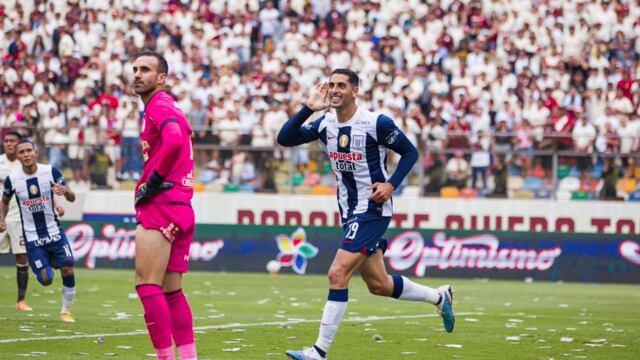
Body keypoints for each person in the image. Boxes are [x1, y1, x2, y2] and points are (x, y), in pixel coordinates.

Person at [278, 69, 455, 360]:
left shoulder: (375, 123)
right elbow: (285, 138)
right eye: (332, 85)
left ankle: (319, 352)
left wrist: (391, 185)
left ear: (355, 91)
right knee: (379, 285)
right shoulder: (325, 123)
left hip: (372, 208)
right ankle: (439, 297)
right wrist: (308, 108)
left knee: (337, 273)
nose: (335, 90)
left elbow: (410, 153)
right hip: (349, 211)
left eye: (341, 86)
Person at [132, 50, 197, 360]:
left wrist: (153, 180)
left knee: (147, 285)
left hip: (163, 203)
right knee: (172, 291)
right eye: (135, 69)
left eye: (145, 69)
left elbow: (173, 139)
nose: (137, 74)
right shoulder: (170, 105)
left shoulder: (158, 105)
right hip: (182, 205)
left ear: (161, 78)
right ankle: (188, 357)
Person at [0, 140, 77, 322]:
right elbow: (4, 202)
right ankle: (46, 262)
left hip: (55, 234)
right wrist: (1, 218)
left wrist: (65, 191)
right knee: (46, 280)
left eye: (29, 150)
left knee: (67, 269)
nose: (26, 154)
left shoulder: (50, 171)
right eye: (22, 152)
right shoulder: (13, 178)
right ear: (18, 156)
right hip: (33, 238)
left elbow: (72, 197)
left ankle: (66, 311)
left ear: (36, 152)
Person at [0, 131, 32, 311]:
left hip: (19, 218)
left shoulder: (25, 165)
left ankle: (21, 301)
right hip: (1, 216)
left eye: (12, 141)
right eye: (6, 141)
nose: (9, 144)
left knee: (21, 256)